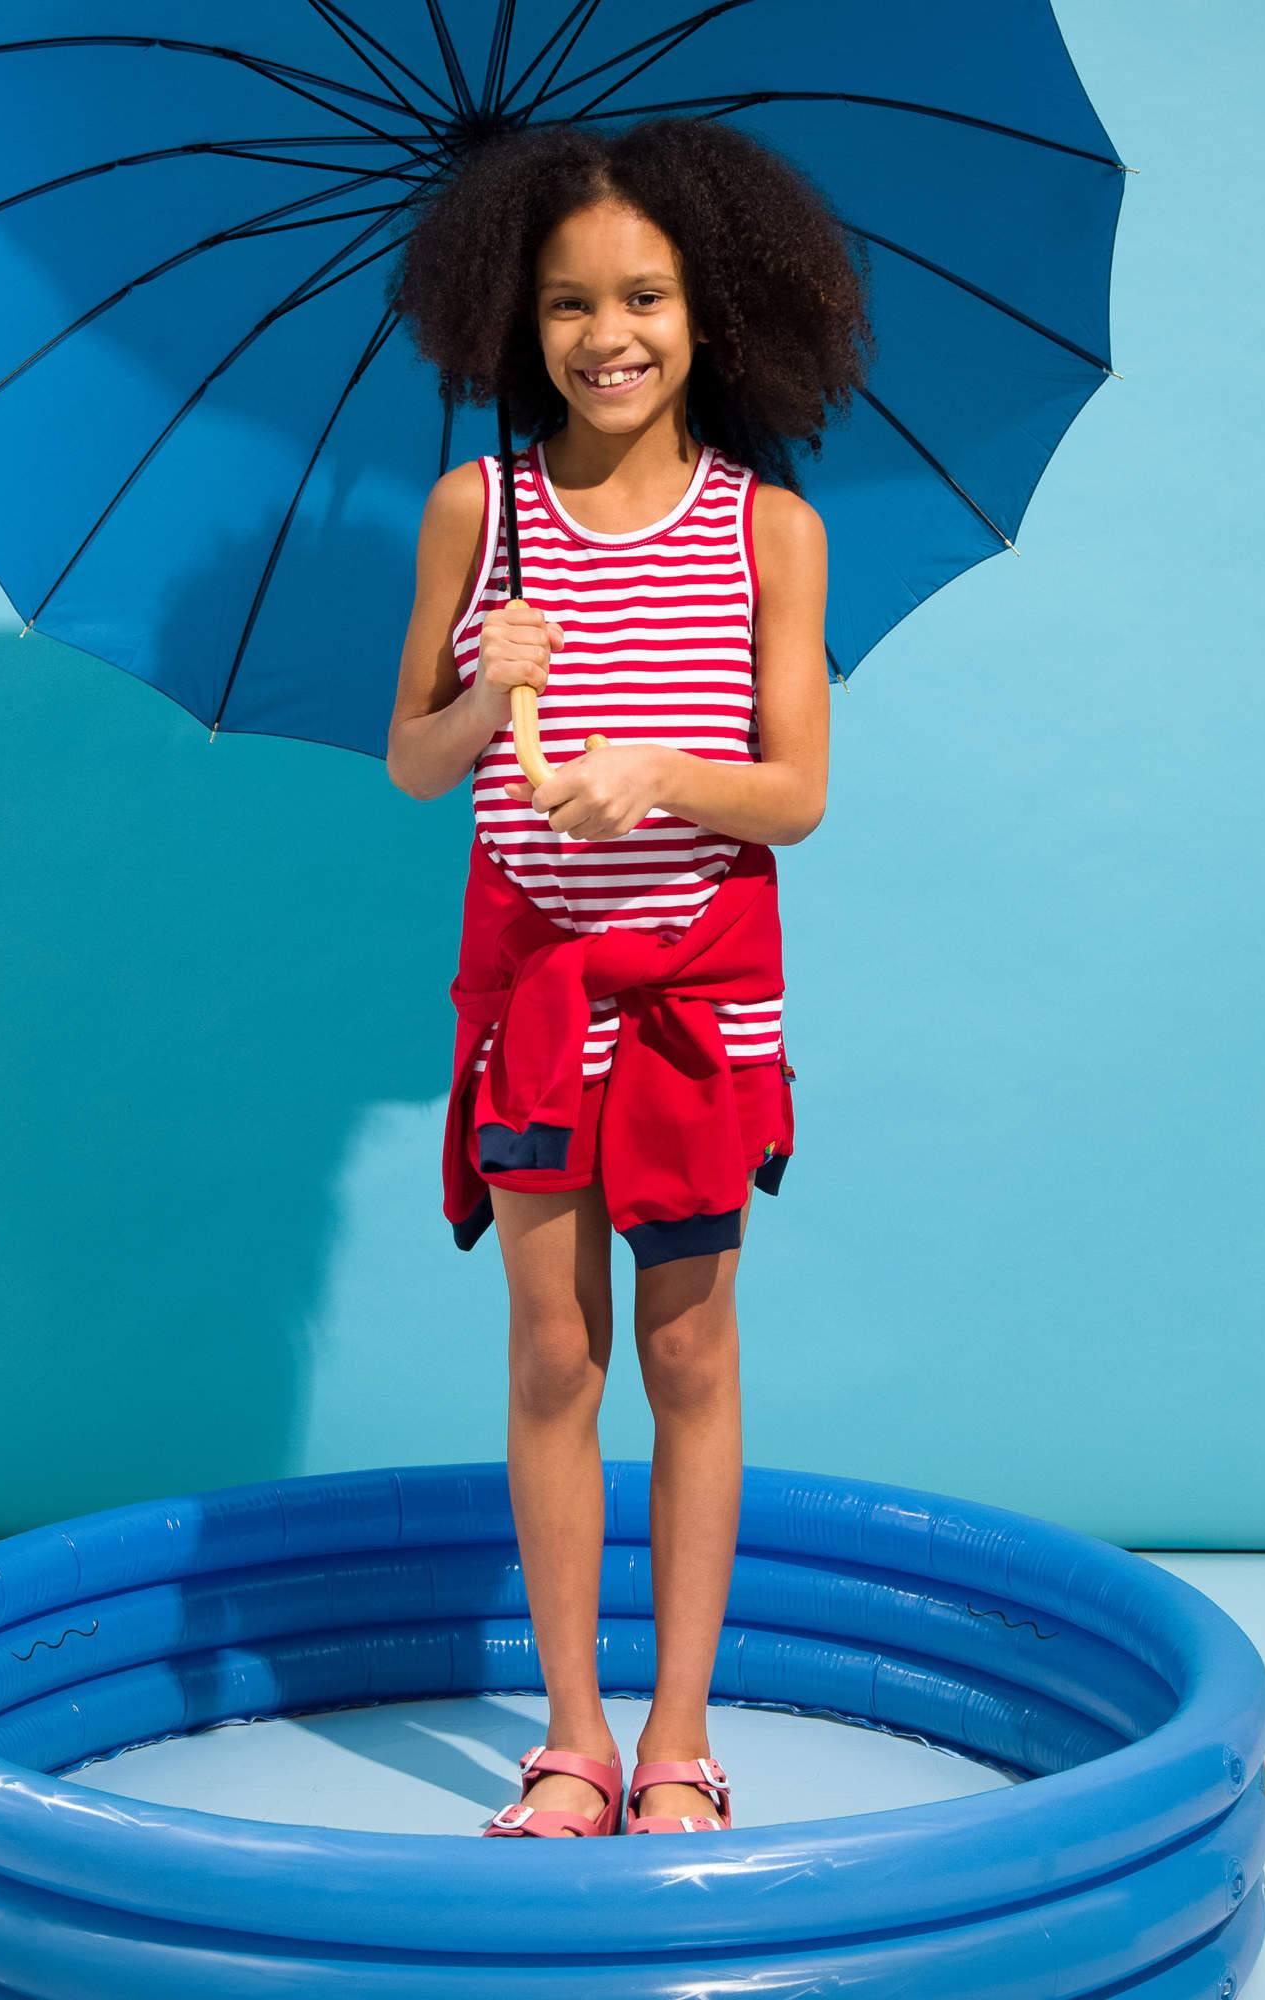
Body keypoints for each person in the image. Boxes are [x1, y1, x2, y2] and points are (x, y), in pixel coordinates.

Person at [384, 117, 873, 1839]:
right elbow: (414, 767)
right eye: (572, 303)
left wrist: (654, 773)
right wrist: (476, 681)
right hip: (528, 983)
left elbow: (796, 795)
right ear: (515, 322)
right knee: (546, 1351)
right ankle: (573, 1740)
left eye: (646, 296)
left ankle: (680, 1740)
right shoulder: (479, 511)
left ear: (706, 309)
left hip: (696, 985)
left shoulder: (770, 531)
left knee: (690, 1348)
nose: (611, 335)